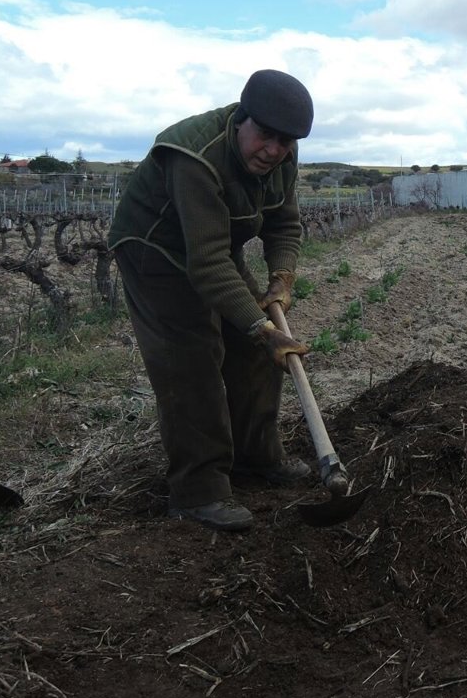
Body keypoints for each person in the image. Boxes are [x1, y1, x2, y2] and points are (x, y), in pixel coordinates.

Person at [108, 70, 315, 531]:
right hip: (156, 250)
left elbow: (284, 224)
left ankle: (255, 456)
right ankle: (198, 489)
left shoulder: (283, 154)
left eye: (285, 142)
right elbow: (206, 265)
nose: (273, 150)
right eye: (265, 135)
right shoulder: (195, 157)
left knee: (256, 354)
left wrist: (282, 278)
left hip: (215, 247)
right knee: (193, 360)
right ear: (242, 119)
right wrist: (263, 329)